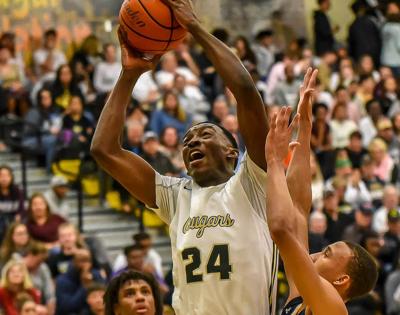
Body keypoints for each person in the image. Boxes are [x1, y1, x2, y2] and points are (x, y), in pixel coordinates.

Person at [91, 0, 278, 313]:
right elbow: (104, 150)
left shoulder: (254, 183)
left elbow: (245, 90)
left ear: (232, 152)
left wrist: (194, 28)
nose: (192, 142)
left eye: (205, 135)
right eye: (187, 139)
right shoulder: (176, 196)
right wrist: (129, 75)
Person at [264, 83, 378, 315]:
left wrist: (275, 161)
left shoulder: (332, 309)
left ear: (342, 279)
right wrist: (305, 127)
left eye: (327, 254)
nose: (314, 255)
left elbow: (280, 230)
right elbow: (297, 207)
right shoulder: (301, 298)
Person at [55, 248, 106, 315]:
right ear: (73, 262)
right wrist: (84, 286)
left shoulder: (97, 275)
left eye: (87, 261)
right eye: (81, 261)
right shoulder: (62, 280)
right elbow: (67, 308)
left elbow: (106, 298)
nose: (85, 265)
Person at [0, 165, 25, 242]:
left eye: (7, 175)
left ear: (11, 177)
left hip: (13, 220)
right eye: (1, 176)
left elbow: (21, 209)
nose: (4, 178)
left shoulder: (17, 191)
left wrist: (19, 216)